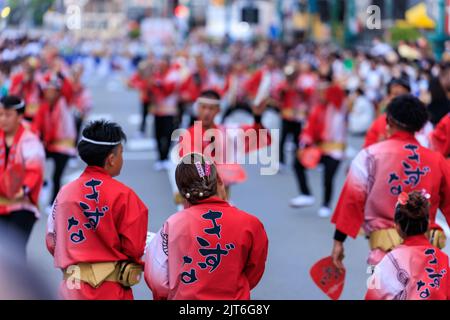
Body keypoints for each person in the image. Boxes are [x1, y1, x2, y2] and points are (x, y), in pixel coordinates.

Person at [330, 95, 450, 270]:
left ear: (389, 121)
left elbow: (351, 201)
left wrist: (338, 241)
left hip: (384, 254)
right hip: (425, 257)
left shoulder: (370, 156)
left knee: (379, 294)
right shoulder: (436, 160)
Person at [46, 120, 149, 300]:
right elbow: (134, 248)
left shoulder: (64, 193)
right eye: (121, 153)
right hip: (110, 290)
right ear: (111, 159)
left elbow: (51, 241)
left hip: (72, 288)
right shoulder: (124, 196)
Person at [144, 153, 268, 300]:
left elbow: (158, 278)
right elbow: (254, 271)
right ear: (220, 181)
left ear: (183, 194)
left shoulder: (172, 225)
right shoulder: (250, 223)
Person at [177, 90, 271, 201]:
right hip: (197, 196)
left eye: (211, 108)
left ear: (218, 110)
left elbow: (260, 136)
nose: (207, 112)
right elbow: (191, 166)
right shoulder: (188, 135)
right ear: (197, 108)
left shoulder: (228, 133)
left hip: (222, 196)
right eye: (203, 107)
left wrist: (257, 117)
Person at [366, 191, 450, 300]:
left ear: (397, 227)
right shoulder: (444, 260)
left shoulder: (390, 260)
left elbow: (372, 297)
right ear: (428, 224)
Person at [290, 77, 347, 218]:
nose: (320, 95)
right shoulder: (317, 109)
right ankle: (306, 193)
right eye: (319, 92)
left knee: (328, 178)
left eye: (324, 92)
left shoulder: (338, 107)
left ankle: (326, 204)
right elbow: (308, 130)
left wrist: (328, 75)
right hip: (320, 149)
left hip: (335, 151)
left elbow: (338, 92)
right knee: (297, 163)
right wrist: (303, 146)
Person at [0, 95, 45, 262]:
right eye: (0, 114)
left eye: (8, 114)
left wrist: (24, 188)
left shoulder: (30, 140)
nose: (3, 119)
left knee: (15, 251)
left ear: (19, 117)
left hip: (22, 203)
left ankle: (18, 286)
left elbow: (35, 170)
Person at [31, 73, 77, 209]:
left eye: (53, 91)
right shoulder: (43, 107)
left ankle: (53, 203)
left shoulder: (64, 102)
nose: (49, 94)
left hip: (63, 146)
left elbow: (69, 89)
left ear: (58, 92)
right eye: (48, 91)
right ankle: (42, 185)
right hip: (49, 145)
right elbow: (36, 126)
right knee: (34, 164)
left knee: (57, 176)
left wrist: (61, 74)